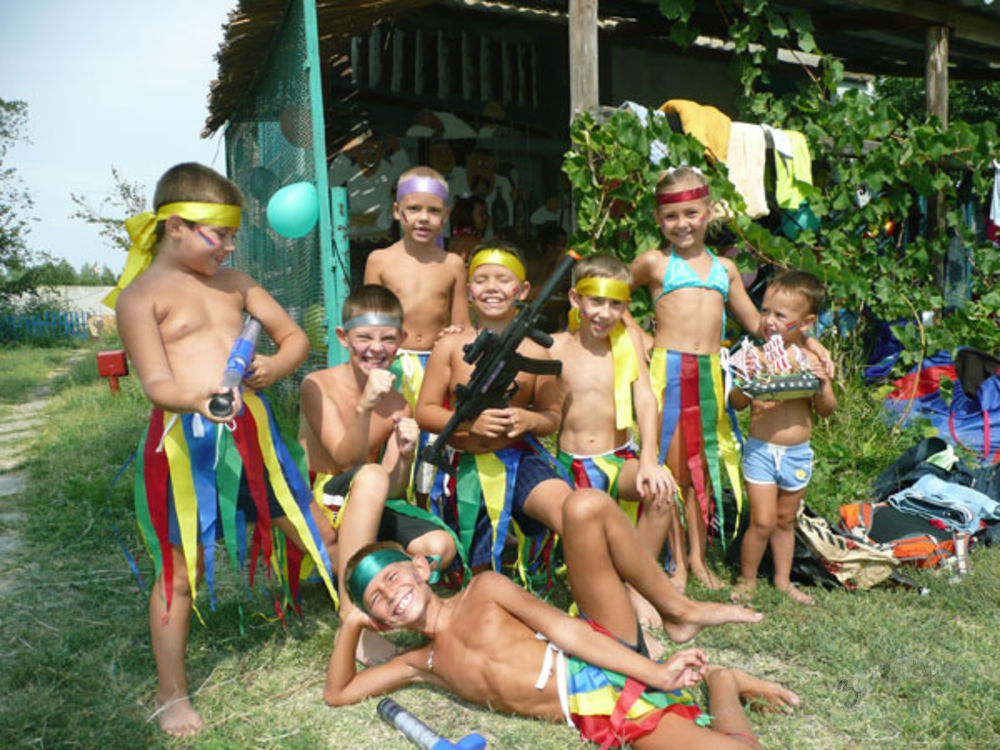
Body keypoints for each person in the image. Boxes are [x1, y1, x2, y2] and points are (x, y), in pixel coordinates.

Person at [110, 162, 336, 737]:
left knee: (317, 531)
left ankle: (364, 628)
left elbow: (294, 337)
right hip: (184, 447)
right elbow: (156, 385)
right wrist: (199, 399)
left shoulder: (236, 282)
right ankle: (171, 692)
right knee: (176, 571)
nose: (231, 246)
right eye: (221, 234)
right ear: (177, 226)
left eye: (234, 235)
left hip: (254, 437)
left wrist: (275, 367)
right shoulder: (139, 298)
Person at [324, 488, 792, 750]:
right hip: (598, 704)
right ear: (380, 622)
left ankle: (676, 610)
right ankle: (723, 680)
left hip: (600, 648)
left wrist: (655, 674)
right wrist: (350, 623)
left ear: (421, 568)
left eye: (392, 577)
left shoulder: (483, 590)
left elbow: (565, 630)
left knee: (585, 506)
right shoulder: (421, 663)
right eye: (377, 599)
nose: (392, 594)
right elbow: (339, 694)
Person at [630, 166, 831, 591]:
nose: (682, 224)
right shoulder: (653, 262)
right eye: (671, 216)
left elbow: (760, 326)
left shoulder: (725, 269)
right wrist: (638, 335)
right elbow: (610, 294)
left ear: (708, 211)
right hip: (669, 374)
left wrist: (810, 342)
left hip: (710, 376)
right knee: (673, 470)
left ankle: (698, 558)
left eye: (691, 213)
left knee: (702, 471)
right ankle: (676, 563)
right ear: (658, 219)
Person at [299, 284, 460, 663]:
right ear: (343, 337)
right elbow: (346, 460)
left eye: (387, 339)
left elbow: (393, 488)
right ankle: (352, 616)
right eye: (364, 338)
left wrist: (404, 455)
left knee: (439, 547)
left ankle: (392, 597)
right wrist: (366, 406)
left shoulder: (399, 403)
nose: (376, 348)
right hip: (323, 495)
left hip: (367, 498)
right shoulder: (317, 385)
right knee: (369, 475)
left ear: (402, 340)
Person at [415, 240, 568, 577]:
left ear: (522, 290)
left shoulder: (537, 352)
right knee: (476, 571)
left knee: (570, 513)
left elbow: (552, 417)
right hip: (464, 465)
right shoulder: (450, 345)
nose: (492, 288)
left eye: (503, 279)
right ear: (469, 291)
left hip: (518, 457)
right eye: (482, 280)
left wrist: (529, 419)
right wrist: (470, 425)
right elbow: (424, 412)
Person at [550, 254, 684, 623]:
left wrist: (649, 461)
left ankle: (638, 588)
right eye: (596, 301)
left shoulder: (628, 342)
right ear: (575, 298)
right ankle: (603, 585)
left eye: (616, 304)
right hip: (572, 466)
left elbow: (645, 398)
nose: (605, 313)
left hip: (619, 456)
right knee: (591, 546)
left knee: (661, 491)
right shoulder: (555, 347)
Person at [728, 271, 836, 605]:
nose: (769, 321)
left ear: (806, 322)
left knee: (785, 520)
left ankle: (783, 581)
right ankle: (747, 580)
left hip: (797, 453)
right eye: (765, 311)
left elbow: (826, 410)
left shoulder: (811, 360)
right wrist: (746, 383)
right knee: (762, 521)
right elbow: (737, 403)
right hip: (761, 451)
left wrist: (824, 385)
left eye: (780, 315)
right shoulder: (755, 356)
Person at [364, 166, 471, 495]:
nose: (423, 218)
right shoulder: (380, 260)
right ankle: (385, 502)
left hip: (437, 367)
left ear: (446, 215)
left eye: (433, 211)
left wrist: (453, 342)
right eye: (414, 209)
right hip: (393, 366)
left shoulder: (452, 264)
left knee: (434, 444)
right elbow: (368, 323)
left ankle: (432, 505)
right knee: (390, 437)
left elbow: (463, 327)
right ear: (397, 211)